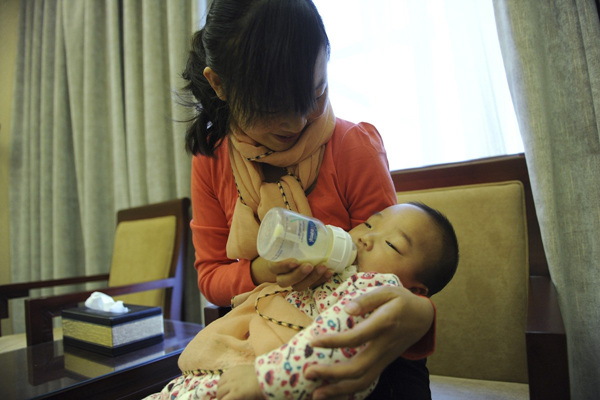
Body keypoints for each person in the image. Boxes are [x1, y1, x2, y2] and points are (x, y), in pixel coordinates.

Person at [183, 0, 438, 397]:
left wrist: (420, 310)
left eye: (316, 94)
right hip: (260, 341)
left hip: (358, 347)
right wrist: (264, 271)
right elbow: (211, 275)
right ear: (219, 85)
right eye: (273, 109)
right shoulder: (212, 161)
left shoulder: (353, 147)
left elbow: (394, 272)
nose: (298, 122)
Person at [144, 202, 459, 399]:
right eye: (368, 224)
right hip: (224, 370)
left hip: (270, 378)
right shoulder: (335, 269)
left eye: (392, 244)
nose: (365, 237)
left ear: (415, 290)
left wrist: (265, 378)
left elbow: (331, 343)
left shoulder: (377, 288)